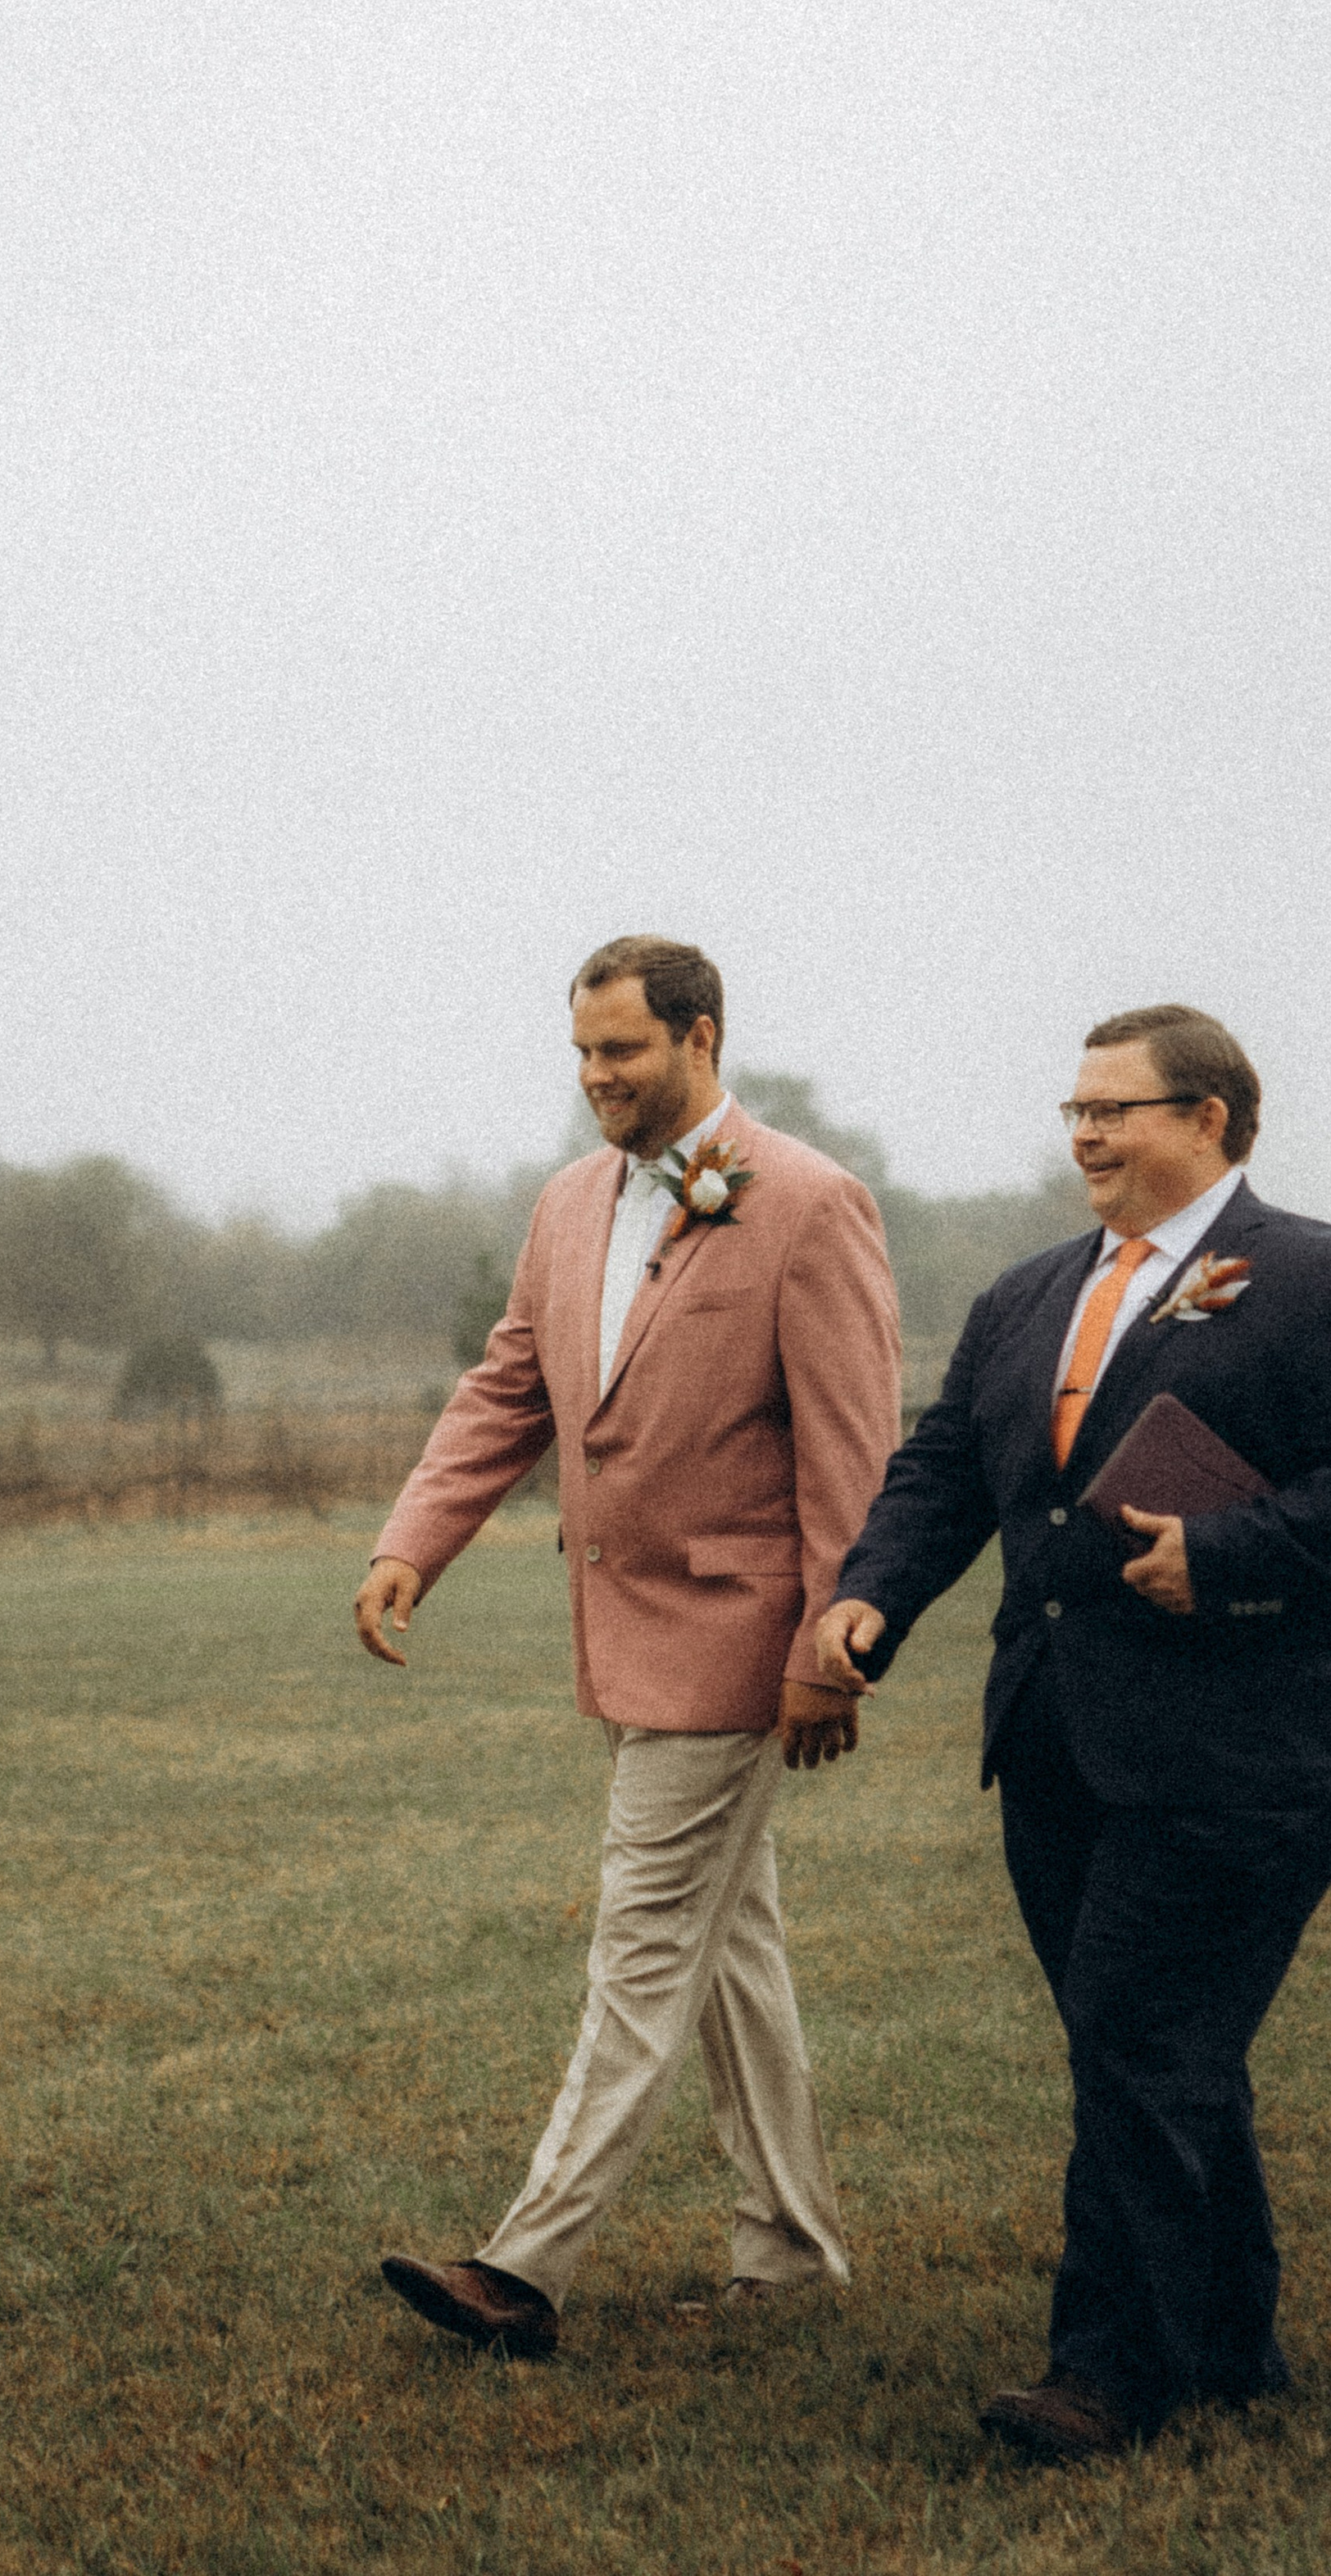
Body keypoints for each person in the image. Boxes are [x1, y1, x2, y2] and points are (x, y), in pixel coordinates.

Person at [818, 1005, 1331, 2460]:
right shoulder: (1031, 1295)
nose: (1086, 1133)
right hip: (1061, 1740)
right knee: (1155, 2048)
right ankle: (1230, 2340)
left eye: (1120, 1109)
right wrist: (869, 1604)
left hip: (1262, 1753)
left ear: (1214, 1120)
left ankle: (1108, 2370)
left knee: (1138, 2031)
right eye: (1075, 1109)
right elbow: (940, 1475)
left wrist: (1223, 1555)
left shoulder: (1320, 1280)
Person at [355, 935, 902, 2356]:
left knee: (646, 1943)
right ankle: (789, 2243)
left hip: (739, 1644)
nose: (597, 1078)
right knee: (733, 1951)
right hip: (617, 1633)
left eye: (624, 1052)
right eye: (584, 1054)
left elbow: (853, 1450)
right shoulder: (562, 1207)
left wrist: (829, 1652)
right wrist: (413, 1542)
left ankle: (522, 2266)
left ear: (701, 1038)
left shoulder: (810, 1204)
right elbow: (508, 1392)